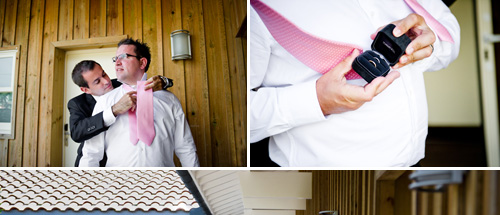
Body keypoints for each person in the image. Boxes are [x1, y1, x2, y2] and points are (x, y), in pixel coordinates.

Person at [250, 0, 460, 167]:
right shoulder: (257, 8)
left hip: (412, 166)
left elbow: (450, 38)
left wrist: (428, 48)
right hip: (326, 179)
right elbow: (230, 118)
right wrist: (317, 101)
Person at [79, 38, 199, 167]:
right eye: (115, 59)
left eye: (123, 56)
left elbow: (186, 148)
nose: (117, 63)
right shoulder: (105, 102)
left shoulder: (169, 100)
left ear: (142, 63)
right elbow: (91, 153)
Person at [68, 60, 172, 166]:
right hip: (93, 162)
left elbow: (152, 82)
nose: (106, 81)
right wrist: (114, 110)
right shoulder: (77, 103)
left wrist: (164, 81)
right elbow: (77, 132)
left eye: (104, 74)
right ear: (86, 90)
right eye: (97, 82)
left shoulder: (122, 83)